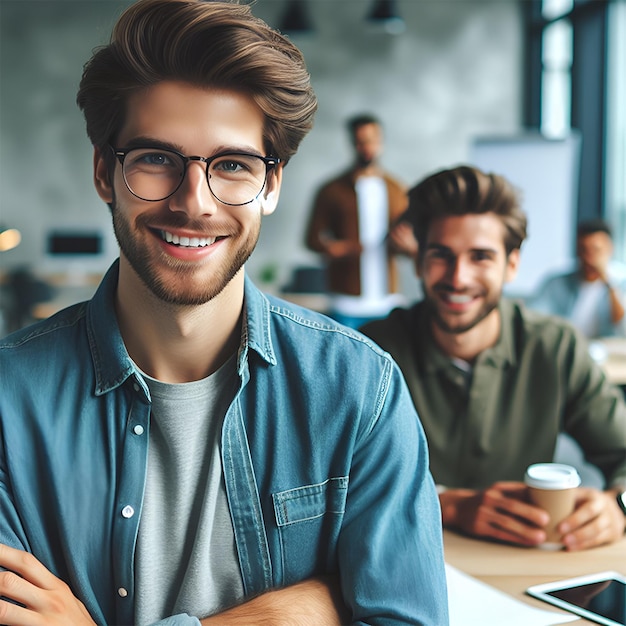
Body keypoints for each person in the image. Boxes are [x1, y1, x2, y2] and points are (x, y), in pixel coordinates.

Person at [0, 1, 448, 625]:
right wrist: (288, 614)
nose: (195, 203)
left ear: (272, 185)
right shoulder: (7, 401)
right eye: (156, 158)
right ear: (105, 171)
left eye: (232, 165)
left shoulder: (360, 391)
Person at [360, 165, 626, 552]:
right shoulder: (369, 353)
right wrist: (445, 503)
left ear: (512, 264)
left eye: (480, 257)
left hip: (521, 573)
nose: (458, 277)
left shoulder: (556, 347)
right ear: (419, 260)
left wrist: (618, 506)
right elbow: (335, 485)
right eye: (441, 255)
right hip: (398, 562)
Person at [304, 113, 410, 328]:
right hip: (346, 302)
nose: (367, 147)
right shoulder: (331, 190)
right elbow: (312, 239)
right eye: (361, 141)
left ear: (381, 142)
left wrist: (408, 246)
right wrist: (336, 248)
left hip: (386, 301)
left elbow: (410, 242)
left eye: (372, 140)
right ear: (352, 143)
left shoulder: (397, 190)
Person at [529, 219, 626, 338]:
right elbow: (534, 317)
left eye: (596, 250)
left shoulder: (621, 282)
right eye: (583, 250)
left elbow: (620, 323)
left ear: (610, 249)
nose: (588, 258)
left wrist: (608, 281)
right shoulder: (557, 284)